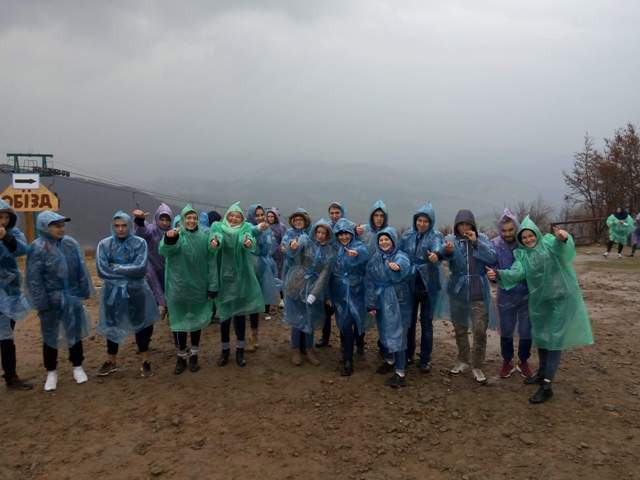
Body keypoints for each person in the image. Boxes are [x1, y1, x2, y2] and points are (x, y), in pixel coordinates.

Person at [486, 217, 594, 403]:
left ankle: (547, 386)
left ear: (536, 233)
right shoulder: (523, 255)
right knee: (542, 337)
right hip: (541, 302)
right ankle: (542, 372)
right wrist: (498, 274)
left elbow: (563, 249)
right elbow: (516, 272)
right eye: (524, 237)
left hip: (561, 299)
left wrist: (564, 238)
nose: (528, 239)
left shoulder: (549, 244)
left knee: (554, 341)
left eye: (531, 235)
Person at [26, 211, 92, 392]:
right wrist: (41, 302)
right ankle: (51, 371)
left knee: (74, 332)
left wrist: (84, 290)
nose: (61, 229)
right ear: (44, 227)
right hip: (50, 299)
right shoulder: (37, 248)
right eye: (56, 226)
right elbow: (34, 278)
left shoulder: (71, 244)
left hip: (72, 296)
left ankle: (77, 366)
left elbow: (81, 269)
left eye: (62, 225)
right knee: (50, 335)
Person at [96, 211, 159, 378]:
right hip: (112, 292)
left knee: (141, 324)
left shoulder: (139, 243)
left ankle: (145, 360)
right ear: (112, 227)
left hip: (136, 291)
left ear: (129, 226)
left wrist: (116, 267)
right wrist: (128, 271)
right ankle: (111, 361)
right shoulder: (104, 244)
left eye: (124, 225)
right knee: (112, 325)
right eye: (117, 226)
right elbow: (102, 270)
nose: (120, 229)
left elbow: (140, 268)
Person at [442, 209, 497, 384]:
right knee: (459, 328)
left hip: (477, 290)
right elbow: (441, 255)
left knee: (480, 330)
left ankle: (477, 364)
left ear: (472, 225)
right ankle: (463, 359)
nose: (464, 227)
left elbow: (492, 257)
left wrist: (476, 242)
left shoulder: (482, 238)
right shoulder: (451, 240)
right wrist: (447, 252)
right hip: (457, 290)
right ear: (456, 225)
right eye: (461, 224)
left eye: (467, 224)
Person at [159, 204, 214, 375]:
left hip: (198, 287)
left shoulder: (204, 237)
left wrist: (213, 286)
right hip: (178, 287)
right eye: (188, 218)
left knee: (196, 321)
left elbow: (211, 261)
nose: (191, 221)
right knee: (178, 323)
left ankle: (194, 355)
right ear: (182, 220)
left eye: (194, 218)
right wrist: (170, 239)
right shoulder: (176, 235)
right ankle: (181, 356)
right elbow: (164, 250)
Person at [209, 202, 264, 367]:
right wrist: (215, 242)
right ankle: (225, 351)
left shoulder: (244, 228)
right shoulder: (218, 227)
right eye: (231, 215)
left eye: (237, 216)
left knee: (239, 317)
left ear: (242, 219)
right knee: (224, 319)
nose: (234, 219)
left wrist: (248, 242)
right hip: (224, 281)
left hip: (240, 280)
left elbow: (247, 237)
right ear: (227, 216)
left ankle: (240, 350)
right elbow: (215, 238)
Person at [283, 218, 335, 367]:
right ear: (314, 231)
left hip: (314, 286)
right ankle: (295, 349)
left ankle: (309, 348)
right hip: (298, 282)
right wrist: (293, 246)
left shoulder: (330, 252)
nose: (320, 235)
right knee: (297, 319)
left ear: (328, 234)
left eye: (323, 233)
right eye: (318, 232)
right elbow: (293, 253)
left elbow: (325, 274)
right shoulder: (306, 242)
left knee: (309, 318)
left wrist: (314, 293)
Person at [399, 202, 444, 374]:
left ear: (431, 222)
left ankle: (425, 358)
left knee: (426, 323)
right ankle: (408, 354)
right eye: (419, 220)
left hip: (428, 285)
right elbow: (400, 252)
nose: (422, 224)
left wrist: (436, 255)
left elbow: (438, 248)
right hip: (410, 283)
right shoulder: (407, 235)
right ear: (415, 220)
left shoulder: (435, 235)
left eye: (426, 221)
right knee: (408, 322)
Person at [365, 227, 412, 388]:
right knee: (384, 330)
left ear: (393, 241)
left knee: (399, 333)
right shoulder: (375, 258)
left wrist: (398, 267)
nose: (384, 242)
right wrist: (371, 303)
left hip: (398, 300)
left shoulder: (400, 255)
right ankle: (390, 360)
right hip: (381, 299)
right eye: (381, 240)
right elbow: (369, 281)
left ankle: (400, 372)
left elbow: (404, 265)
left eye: (387, 239)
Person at [491, 209, 533, 378]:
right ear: (499, 230)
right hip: (506, 295)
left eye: (510, 230)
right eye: (504, 230)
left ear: (516, 228)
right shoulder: (495, 245)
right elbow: (491, 264)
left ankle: (523, 361)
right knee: (506, 329)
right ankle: (507, 361)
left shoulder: (524, 241)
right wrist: (493, 276)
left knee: (526, 329)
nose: (507, 233)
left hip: (526, 294)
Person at [330, 218, 370, 376]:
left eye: (346, 233)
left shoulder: (359, 246)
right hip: (340, 292)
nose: (343, 237)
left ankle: (357, 346)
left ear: (352, 234)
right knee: (344, 323)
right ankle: (347, 357)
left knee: (356, 321)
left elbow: (364, 255)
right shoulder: (336, 249)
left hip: (357, 291)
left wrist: (357, 255)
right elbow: (331, 271)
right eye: (340, 234)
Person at [0, 200, 32, 390]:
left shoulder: (14, 234)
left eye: (6, 217)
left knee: (6, 335)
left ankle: (11, 376)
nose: (3, 221)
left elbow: (22, 249)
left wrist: (6, 238)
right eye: (0, 217)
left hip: (10, 292)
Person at [245, 204, 280, 352]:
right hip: (248, 267)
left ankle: (254, 335)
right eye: (257, 215)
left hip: (262, 268)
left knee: (256, 304)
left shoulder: (267, 230)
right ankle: (245, 338)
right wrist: (258, 231)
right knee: (246, 303)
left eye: (261, 215)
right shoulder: (246, 228)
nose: (259, 218)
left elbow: (270, 248)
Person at [132, 204, 173, 320]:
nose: (164, 223)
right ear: (156, 218)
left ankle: (168, 309)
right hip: (152, 264)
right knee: (155, 287)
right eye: (162, 219)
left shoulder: (172, 232)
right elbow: (141, 233)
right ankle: (159, 307)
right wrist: (140, 221)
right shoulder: (151, 229)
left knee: (168, 289)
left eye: (167, 220)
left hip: (166, 266)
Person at [316, 202, 346, 348]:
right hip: (327, 273)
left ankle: (346, 342)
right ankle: (325, 338)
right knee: (326, 310)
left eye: (337, 213)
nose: (334, 216)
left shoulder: (347, 227)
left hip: (342, 276)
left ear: (342, 213)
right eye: (332, 213)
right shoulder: (326, 227)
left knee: (343, 311)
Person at [266, 207, 287, 283]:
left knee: (278, 271)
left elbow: (284, 239)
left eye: (272, 216)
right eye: (268, 216)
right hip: (267, 253)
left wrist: (282, 248)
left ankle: (278, 287)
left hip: (278, 254)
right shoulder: (265, 226)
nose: (270, 218)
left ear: (276, 217)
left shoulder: (281, 227)